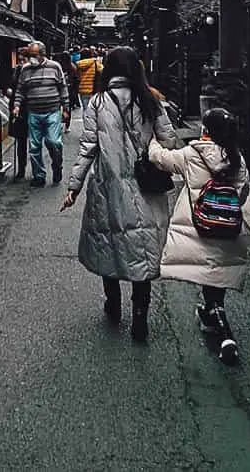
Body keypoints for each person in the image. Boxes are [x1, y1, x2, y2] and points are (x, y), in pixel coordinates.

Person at [62, 46, 178, 342]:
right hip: (146, 188)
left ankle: (113, 305)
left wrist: (73, 186)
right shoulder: (151, 100)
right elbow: (169, 140)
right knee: (142, 251)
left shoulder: (98, 103)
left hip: (108, 187)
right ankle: (140, 316)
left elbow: (88, 148)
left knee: (108, 244)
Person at [148, 107, 250, 364]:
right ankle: (212, 311)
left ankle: (223, 330)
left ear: (206, 130)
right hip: (227, 227)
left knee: (208, 271)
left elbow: (162, 159)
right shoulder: (236, 157)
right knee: (216, 273)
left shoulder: (193, 154)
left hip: (199, 226)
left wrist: (150, 140)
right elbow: (244, 192)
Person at [13, 41, 69, 187]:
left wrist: (66, 107)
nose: (31, 58)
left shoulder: (55, 67)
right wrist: (17, 106)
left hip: (52, 111)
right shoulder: (25, 70)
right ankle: (39, 176)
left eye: (34, 55)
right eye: (30, 55)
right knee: (34, 147)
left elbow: (62, 87)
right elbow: (20, 89)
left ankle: (57, 167)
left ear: (43, 54)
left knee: (54, 142)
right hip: (34, 112)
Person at [6, 47, 30, 179]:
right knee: (20, 140)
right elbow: (10, 85)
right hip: (17, 107)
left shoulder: (33, 71)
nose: (21, 62)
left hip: (31, 107)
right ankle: (21, 168)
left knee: (34, 142)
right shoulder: (16, 70)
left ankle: (38, 170)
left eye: (23, 59)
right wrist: (9, 89)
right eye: (19, 59)